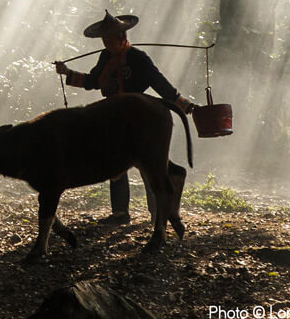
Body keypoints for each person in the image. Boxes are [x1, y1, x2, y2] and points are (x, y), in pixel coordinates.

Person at [53, 11, 195, 224]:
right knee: (114, 162)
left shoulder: (138, 58)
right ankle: (120, 212)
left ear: (122, 37)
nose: (107, 42)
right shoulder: (105, 58)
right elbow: (93, 81)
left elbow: (159, 82)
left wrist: (183, 103)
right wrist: (67, 73)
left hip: (138, 116)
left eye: (111, 38)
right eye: (105, 39)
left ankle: (158, 213)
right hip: (112, 116)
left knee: (149, 162)